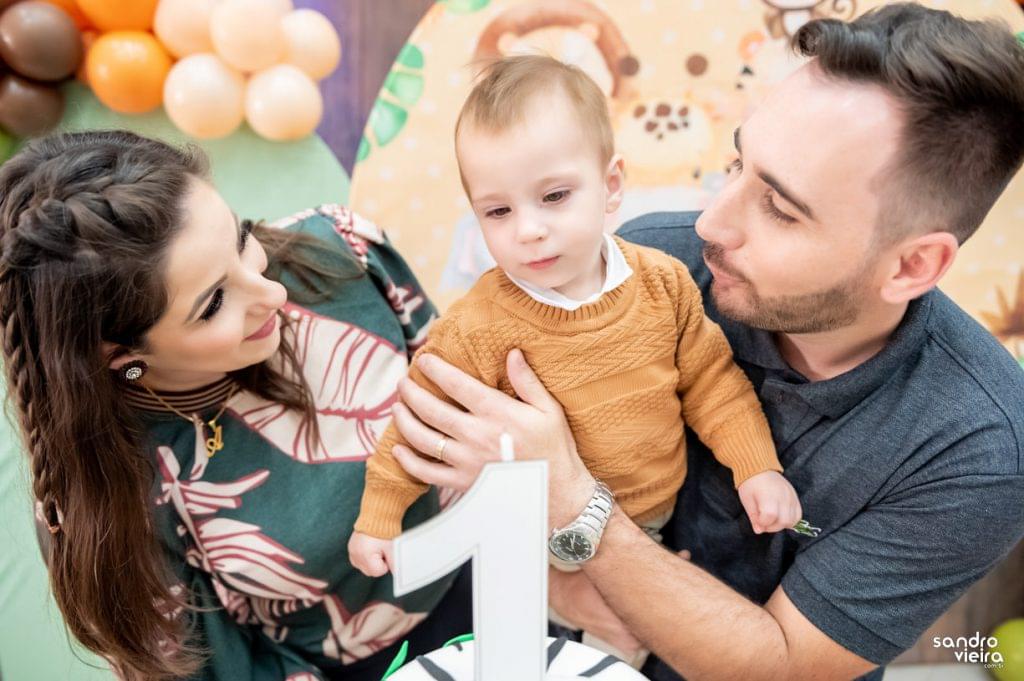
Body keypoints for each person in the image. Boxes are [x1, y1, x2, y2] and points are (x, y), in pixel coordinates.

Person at [380, 5, 1024, 680]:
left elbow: (781, 664)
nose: (714, 220)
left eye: (778, 206)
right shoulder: (655, 263)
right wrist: (562, 584)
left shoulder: (979, 447)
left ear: (911, 266)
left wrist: (575, 502)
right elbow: (460, 468)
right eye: (736, 162)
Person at [347, 55, 802, 664]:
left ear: (612, 186)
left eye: (554, 196)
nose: (529, 230)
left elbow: (712, 382)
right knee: (550, 645)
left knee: (635, 635)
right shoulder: (480, 323)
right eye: (498, 211)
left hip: (647, 521)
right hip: (527, 535)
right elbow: (418, 422)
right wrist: (378, 516)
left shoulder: (662, 283)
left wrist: (756, 468)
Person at [0, 130, 471, 681]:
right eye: (215, 302)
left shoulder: (341, 247)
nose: (271, 293)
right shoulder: (113, 498)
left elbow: (469, 398)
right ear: (119, 356)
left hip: (509, 565)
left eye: (242, 237)